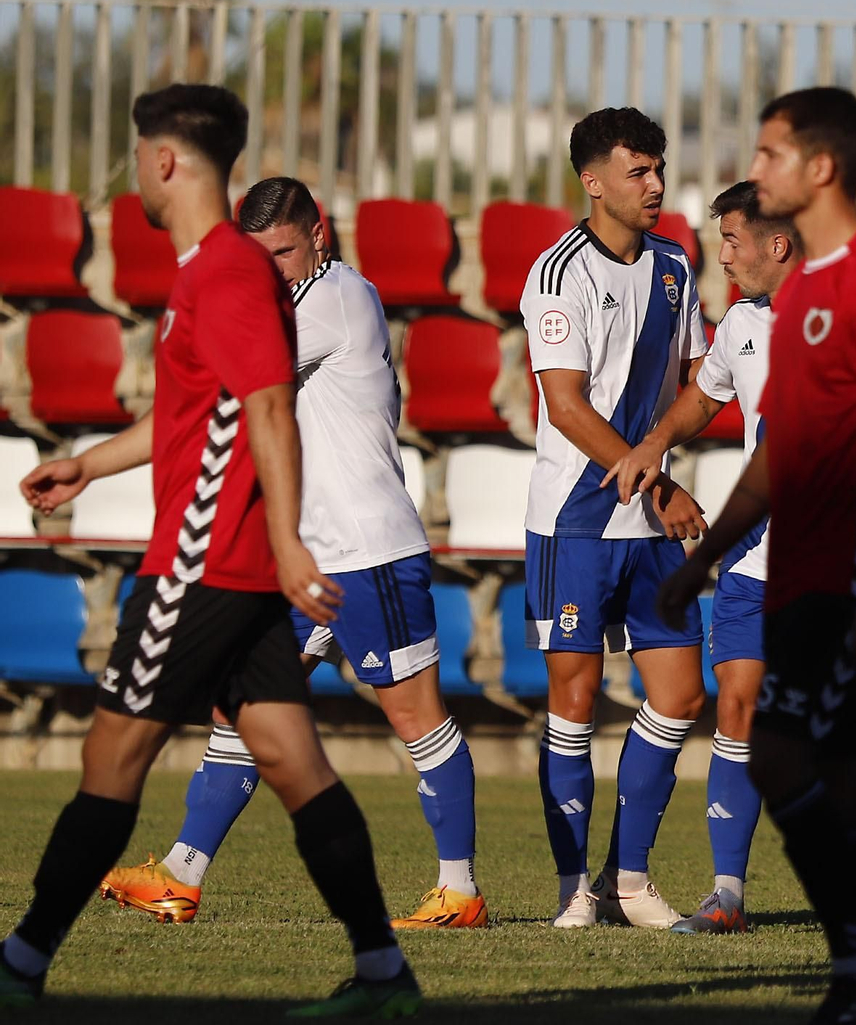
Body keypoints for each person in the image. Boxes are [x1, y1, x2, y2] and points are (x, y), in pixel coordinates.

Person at [0, 84, 420, 1017]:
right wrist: (88, 465)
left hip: (199, 567)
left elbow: (271, 404)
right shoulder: (218, 270)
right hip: (241, 572)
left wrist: (284, 544)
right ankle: (386, 975)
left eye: (137, 151)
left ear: (162, 161)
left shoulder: (224, 272)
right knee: (294, 765)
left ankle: (21, 963)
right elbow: (200, 411)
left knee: (110, 763)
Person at [96, 175, 483, 931]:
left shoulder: (335, 299)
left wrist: (94, 461)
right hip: (308, 557)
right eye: (257, 254)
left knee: (417, 717)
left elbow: (213, 397)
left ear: (319, 237)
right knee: (240, 706)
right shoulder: (286, 301)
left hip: (371, 550)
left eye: (282, 251)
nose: (269, 267)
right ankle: (180, 874)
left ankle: (460, 890)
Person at [604, 181, 856, 937]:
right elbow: (704, 400)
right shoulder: (740, 322)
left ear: (778, 244)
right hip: (753, 560)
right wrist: (652, 444)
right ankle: (727, 894)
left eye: (733, 241)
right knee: (736, 710)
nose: (723, 257)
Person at [658, 87, 856, 1025]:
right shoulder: (802, 293)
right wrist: (705, 564)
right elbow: (780, 447)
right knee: (785, 761)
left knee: (821, 758)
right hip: (787, 570)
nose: (757, 169)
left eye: (772, 154)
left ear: (819, 169)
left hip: (855, 573)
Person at [521, 107, 710, 929]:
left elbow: (701, 383)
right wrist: (658, 485)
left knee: (681, 694)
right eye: (638, 172)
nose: (657, 186)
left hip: (649, 524)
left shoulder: (676, 266)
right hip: (577, 520)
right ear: (593, 182)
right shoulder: (558, 274)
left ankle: (628, 882)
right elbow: (565, 406)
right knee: (576, 698)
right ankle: (575, 891)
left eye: (659, 169)